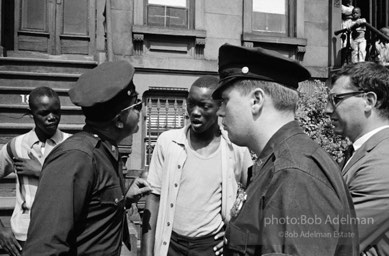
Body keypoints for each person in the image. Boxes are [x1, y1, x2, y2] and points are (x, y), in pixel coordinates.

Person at [212, 44, 359, 256]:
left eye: (225, 101)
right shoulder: (281, 163)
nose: (220, 111)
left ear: (256, 100)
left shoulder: (295, 173)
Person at [22, 61, 152, 255]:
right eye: (138, 106)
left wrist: (124, 199)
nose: (145, 113)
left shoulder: (106, 149)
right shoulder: (76, 158)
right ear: (118, 120)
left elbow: (93, 215)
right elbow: (44, 247)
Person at [141, 75, 252, 256]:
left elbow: (254, 195)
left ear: (220, 107)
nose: (195, 112)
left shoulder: (236, 149)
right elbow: (153, 198)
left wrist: (235, 234)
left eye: (205, 106)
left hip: (210, 247)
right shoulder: (168, 143)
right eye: (191, 104)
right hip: (170, 244)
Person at [325, 61, 389, 255]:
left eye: (336, 99)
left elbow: (336, 239)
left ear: (369, 101)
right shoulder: (359, 151)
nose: (328, 109)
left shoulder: (383, 161)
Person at [0, 86, 71, 256]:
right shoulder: (16, 146)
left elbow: (83, 187)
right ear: (30, 113)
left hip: (63, 235)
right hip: (25, 235)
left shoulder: (72, 145)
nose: (52, 118)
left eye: (56, 111)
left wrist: (43, 172)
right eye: (44, 113)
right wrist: (1, 230)